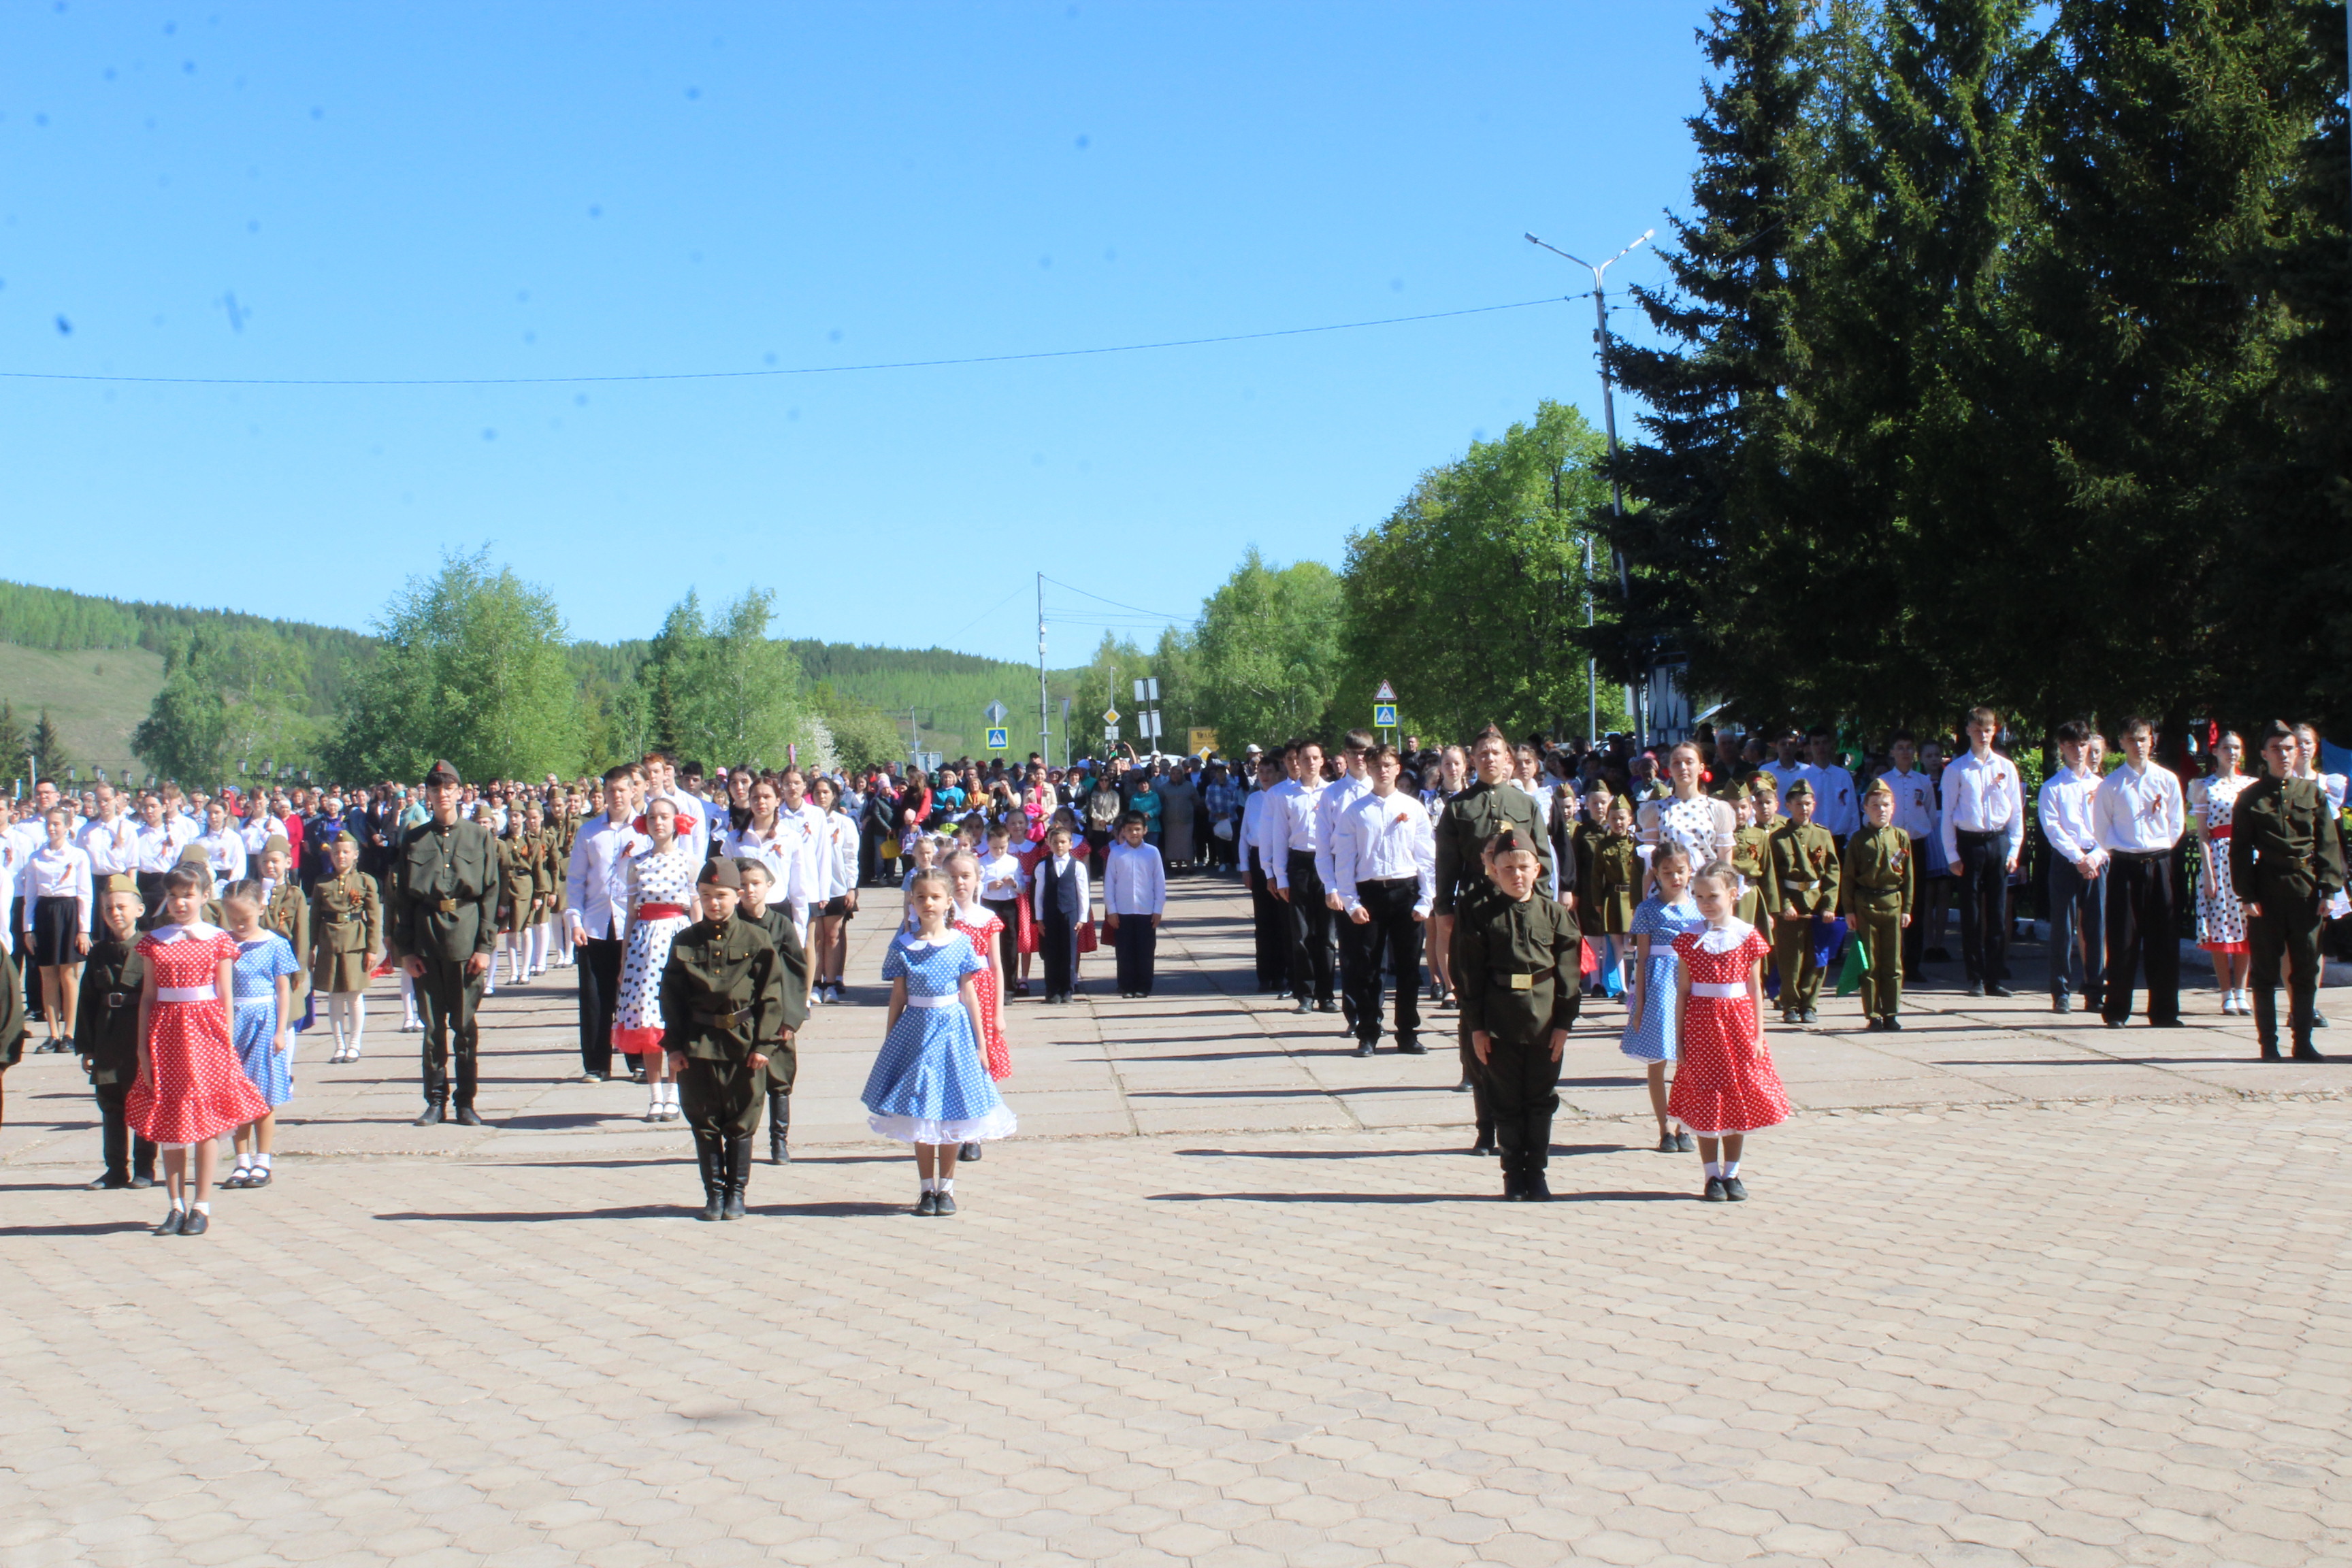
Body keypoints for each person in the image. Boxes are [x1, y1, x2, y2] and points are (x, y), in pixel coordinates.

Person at [1431, 726, 1556, 1146]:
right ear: (1472, 760)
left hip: (1521, 918)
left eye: (1496, 753)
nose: (1489, 759)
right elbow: (1446, 864)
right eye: (1481, 753)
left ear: (1509, 759)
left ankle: (1523, 1113)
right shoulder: (1458, 807)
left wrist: (1543, 910)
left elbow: (1542, 860)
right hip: (1476, 914)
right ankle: (1485, 1125)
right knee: (1476, 1012)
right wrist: (1445, 910)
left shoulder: (1525, 803)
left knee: (1523, 1005)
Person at [128, 864, 270, 1235]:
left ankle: (201, 1205)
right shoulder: (155, 941)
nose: (179, 903)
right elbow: (147, 998)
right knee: (172, 1123)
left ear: (205, 896)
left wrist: (227, 1041)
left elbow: (225, 995)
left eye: (188, 895)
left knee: (206, 1121)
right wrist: (143, 1048)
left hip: (205, 1035)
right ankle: (174, 1205)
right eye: (173, 896)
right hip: (166, 1035)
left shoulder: (217, 939)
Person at [865, 867, 1015, 1215]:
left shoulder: (960, 942)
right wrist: (890, 1041)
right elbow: (897, 996)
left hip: (953, 1033)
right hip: (916, 1033)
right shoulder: (904, 945)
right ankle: (925, 1189)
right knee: (921, 1113)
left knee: (952, 1113)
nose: (928, 903)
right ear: (913, 902)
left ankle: (947, 1188)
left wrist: (981, 1044)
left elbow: (970, 993)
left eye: (935, 897)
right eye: (921, 897)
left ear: (949, 902)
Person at [658, 857, 790, 1220]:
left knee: (741, 1120)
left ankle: (736, 1194)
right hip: (698, 1044)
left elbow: (771, 996)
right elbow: (671, 997)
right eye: (706, 895)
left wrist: (765, 1045)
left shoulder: (757, 939)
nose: (714, 902)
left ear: (737, 895)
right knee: (704, 1121)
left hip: (743, 1043)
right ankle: (713, 1194)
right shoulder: (685, 940)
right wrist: (674, 1047)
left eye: (721, 895)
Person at [1456, 826, 1580, 1200]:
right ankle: (1512, 1174)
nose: (1516, 875)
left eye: (1523, 867)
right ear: (1493, 870)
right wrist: (1476, 1028)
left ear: (1537, 870)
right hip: (1499, 1019)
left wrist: (1563, 1024)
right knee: (1505, 1100)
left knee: (1540, 1100)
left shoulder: (1556, 914)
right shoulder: (1480, 914)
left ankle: (1537, 1174)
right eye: (1506, 868)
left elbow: (1569, 976)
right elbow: (1468, 974)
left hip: (1544, 1022)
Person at [387, 760, 500, 1127]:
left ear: (460, 793)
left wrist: (484, 947)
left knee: (465, 1026)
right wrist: (404, 952)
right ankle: (435, 1101)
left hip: (467, 937)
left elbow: (490, 896)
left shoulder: (479, 837)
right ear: (429, 796)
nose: (442, 794)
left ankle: (466, 1102)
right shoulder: (414, 839)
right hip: (427, 937)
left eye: (448, 788)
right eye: (435, 789)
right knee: (433, 1028)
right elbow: (402, 899)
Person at [1669, 860, 1788, 1202]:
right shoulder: (1689, 939)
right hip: (1702, 1028)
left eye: (1714, 895)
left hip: (1738, 1027)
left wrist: (1758, 1035)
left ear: (1733, 895)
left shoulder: (1747, 936)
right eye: (1699, 896)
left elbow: (1755, 989)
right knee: (1706, 1101)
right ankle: (1710, 1176)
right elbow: (1683, 991)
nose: (1706, 902)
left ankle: (1732, 1172)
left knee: (1738, 1100)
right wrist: (1678, 1039)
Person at [2233, 721, 2347, 1061]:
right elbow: (2239, 851)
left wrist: (2329, 890)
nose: (2283, 755)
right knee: (2266, 971)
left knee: (2306, 970)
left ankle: (2303, 1040)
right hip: (2267, 890)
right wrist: (2247, 896)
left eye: (2289, 749)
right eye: (2276, 749)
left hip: (2306, 891)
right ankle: (2268, 1042)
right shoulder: (2251, 798)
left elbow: (2327, 844)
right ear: (2264, 754)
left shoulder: (2312, 794)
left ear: (2297, 752)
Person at [1330, 742, 1434, 1055]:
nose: (1382, 771)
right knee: (1368, 968)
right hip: (1370, 893)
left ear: (1397, 768)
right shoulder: (1356, 811)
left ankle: (1408, 1032)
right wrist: (1351, 901)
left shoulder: (1413, 808)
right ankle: (1368, 1032)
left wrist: (1427, 898)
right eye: (1376, 766)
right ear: (1369, 770)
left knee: (1408, 969)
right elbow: (1345, 860)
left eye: (1388, 765)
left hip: (1406, 892)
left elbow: (1426, 856)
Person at [2093, 717, 2186, 1028]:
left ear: (2152, 740)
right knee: (2122, 940)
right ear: (2121, 742)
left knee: (2164, 939)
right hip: (2125, 865)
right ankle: (2117, 1009)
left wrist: (2158, 849)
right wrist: (2124, 850)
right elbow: (2102, 828)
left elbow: (2176, 824)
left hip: (2159, 862)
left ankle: (2164, 1012)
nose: (2139, 745)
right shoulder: (2112, 784)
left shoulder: (2167, 779)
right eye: (2132, 739)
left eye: (2144, 739)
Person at [615, 796, 700, 1122]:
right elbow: (630, 916)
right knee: (648, 1019)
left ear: (676, 821)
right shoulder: (637, 864)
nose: (658, 823)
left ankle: (674, 1092)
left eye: (664, 817)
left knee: (674, 1018)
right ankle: (654, 1095)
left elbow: (695, 908)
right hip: (644, 945)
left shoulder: (689, 862)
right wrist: (624, 958)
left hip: (677, 937)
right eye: (652, 818)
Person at [74, 875, 157, 1189]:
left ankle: (145, 1168)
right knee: (111, 1103)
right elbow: (87, 1002)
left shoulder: (150, 948)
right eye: (109, 908)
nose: (115, 913)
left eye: (122, 906)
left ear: (139, 909)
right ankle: (115, 1168)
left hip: (139, 1034)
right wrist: (87, 1047)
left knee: (144, 1100)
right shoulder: (98, 953)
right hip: (108, 1034)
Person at [218, 879, 301, 1190]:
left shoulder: (275, 943)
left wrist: (281, 1030)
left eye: (246, 918)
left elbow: (283, 989)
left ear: (261, 907)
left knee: (264, 1096)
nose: (239, 925)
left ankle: (263, 1160)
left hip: (264, 1023)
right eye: (233, 918)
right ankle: (241, 1161)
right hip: (232, 1022)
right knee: (235, 1095)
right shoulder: (223, 943)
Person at [1622, 841, 1704, 1153]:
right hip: (1659, 986)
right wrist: (1639, 1003)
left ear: (1690, 871)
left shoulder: (1698, 907)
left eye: (1680, 871)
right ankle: (1664, 1128)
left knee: (1688, 1059)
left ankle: (1684, 1124)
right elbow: (1642, 959)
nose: (1674, 878)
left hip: (1691, 985)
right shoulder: (1647, 909)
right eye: (1667, 872)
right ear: (1655, 872)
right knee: (1658, 1060)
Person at [1938, 708, 2025, 997]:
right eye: (1977, 730)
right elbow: (1948, 814)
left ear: (1995, 731)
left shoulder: (2005, 767)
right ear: (1968, 731)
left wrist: (2014, 849)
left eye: (1987, 730)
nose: (1983, 735)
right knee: (1972, 913)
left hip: (1998, 841)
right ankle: (1975, 976)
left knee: (1998, 912)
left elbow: (2016, 812)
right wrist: (1952, 854)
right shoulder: (1957, 770)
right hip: (1969, 843)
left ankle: (1994, 976)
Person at [734, 858, 811, 1164]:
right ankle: (742, 1142)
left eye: (755, 883)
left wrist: (791, 1018)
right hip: (741, 1017)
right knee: (742, 1084)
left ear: (769, 886)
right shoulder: (732, 925)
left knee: (779, 1081)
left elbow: (795, 973)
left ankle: (779, 1142)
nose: (749, 890)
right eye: (742, 884)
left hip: (777, 1015)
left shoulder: (781, 925)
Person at [1263, 740, 1341, 1016]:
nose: (1309, 763)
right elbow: (1278, 837)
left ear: (1323, 761)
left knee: (1328, 935)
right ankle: (1304, 993)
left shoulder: (1333, 793)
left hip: (1327, 866)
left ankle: (1327, 994)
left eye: (1314, 758)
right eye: (1304, 758)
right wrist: (1278, 876)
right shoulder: (1287, 795)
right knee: (1301, 934)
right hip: (1299, 865)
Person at [2038, 721, 2109, 1016]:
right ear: (2062, 748)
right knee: (2063, 929)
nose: (2078, 751)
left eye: (2082, 745)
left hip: (2096, 859)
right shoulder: (2053, 786)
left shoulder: (2101, 786)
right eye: (2071, 745)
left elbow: (2110, 826)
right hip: (2068, 861)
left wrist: (2096, 856)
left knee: (2096, 927)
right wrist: (2078, 857)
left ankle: (2095, 991)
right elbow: (2052, 828)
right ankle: (2061, 991)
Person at [1840, 779, 1915, 1031]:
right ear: (1865, 808)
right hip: (1866, 905)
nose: (1880, 810)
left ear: (1893, 807)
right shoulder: (1859, 840)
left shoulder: (1901, 837)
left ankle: (1891, 1012)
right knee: (1869, 962)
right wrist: (1849, 909)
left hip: (1892, 902)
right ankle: (1872, 1013)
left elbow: (1909, 877)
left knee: (1893, 962)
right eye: (1875, 805)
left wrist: (1907, 909)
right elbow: (1848, 877)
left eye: (1885, 805)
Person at [16, 805, 93, 1050]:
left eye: (57, 824)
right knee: (47, 976)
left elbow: (85, 894)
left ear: (68, 826)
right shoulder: (36, 857)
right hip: (44, 915)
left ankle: (70, 1033)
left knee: (69, 976)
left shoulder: (78, 855)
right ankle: (53, 1034)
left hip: (69, 912)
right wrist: (28, 929)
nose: (51, 828)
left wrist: (84, 929)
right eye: (48, 824)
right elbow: (31, 896)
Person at [2191, 730, 2257, 1015]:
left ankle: (2242, 991)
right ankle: (2226, 992)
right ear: (2216, 751)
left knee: (2245, 925)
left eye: (2237, 748)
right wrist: (2208, 872)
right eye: (2227, 748)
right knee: (2220, 926)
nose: (2233, 753)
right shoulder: (2204, 785)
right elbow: (2203, 833)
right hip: (2219, 857)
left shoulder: (2251, 785)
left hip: (2246, 857)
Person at [1765, 781, 1842, 1025]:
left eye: (1808, 804)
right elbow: (1774, 876)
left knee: (1816, 957)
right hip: (1791, 905)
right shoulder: (1778, 838)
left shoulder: (1823, 834)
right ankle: (1790, 1004)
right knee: (1790, 958)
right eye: (1799, 804)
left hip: (1817, 904)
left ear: (1814, 805)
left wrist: (1829, 905)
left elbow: (1832, 873)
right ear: (1788, 806)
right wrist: (1784, 904)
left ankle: (1810, 1004)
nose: (1804, 809)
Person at [310, 833, 381, 1064]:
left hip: (355, 943)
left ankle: (354, 1044)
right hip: (329, 942)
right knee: (335, 995)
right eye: (336, 852)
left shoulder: (364, 882)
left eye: (345, 852)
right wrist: (312, 947)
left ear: (355, 855)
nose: (340, 856)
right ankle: (339, 1045)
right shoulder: (322, 882)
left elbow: (374, 917)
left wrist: (372, 948)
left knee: (354, 994)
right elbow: (314, 918)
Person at [1102, 811, 1169, 1001]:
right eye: (1130, 830)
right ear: (1123, 831)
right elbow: (1110, 883)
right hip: (1122, 911)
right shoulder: (1116, 853)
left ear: (1145, 830)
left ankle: (1144, 986)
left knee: (1145, 950)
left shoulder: (1152, 853)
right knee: (1124, 951)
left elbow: (1159, 883)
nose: (1134, 833)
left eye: (1138, 829)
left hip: (1146, 910)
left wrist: (1158, 910)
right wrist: (1111, 911)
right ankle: (1126, 985)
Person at [1240, 753, 1290, 994]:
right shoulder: (1253, 800)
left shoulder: (1282, 796)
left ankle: (1282, 974)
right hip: (1257, 860)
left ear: (1278, 773)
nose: (1265, 777)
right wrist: (1245, 868)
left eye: (1269, 772)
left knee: (1282, 921)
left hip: (1280, 859)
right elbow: (1244, 836)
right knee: (1263, 922)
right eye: (1261, 773)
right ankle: (1265, 975)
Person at [1031, 821, 1089, 1004]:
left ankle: (1068, 989)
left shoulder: (1077, 866)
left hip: (1070, 914)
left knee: (1069, 952)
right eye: (1055, 842)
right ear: (1049, 844)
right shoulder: (1043, 866)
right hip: (1050, 915)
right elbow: (1038, 894)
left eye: (1063, 842)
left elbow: (1083, 894)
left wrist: (1082, 918)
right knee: (1051, 953)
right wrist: (1039, 918)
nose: (1059, 846)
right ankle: (1052, 991)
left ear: (1071, 844)